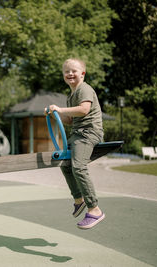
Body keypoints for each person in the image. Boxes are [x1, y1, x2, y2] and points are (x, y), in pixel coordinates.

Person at [44, 58, 104, 229]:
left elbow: (84, 110)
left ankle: (94, 209)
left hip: (88, 133)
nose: (70, 73)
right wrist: (54, 113)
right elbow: (70, 120)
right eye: (66, 71)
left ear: (82, 74)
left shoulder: (84, 89)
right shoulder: (71, 95)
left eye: (74, 71)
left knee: (78, 166)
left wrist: (60, 109)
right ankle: (79, 199)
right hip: (77, 134)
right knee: (65, 164)